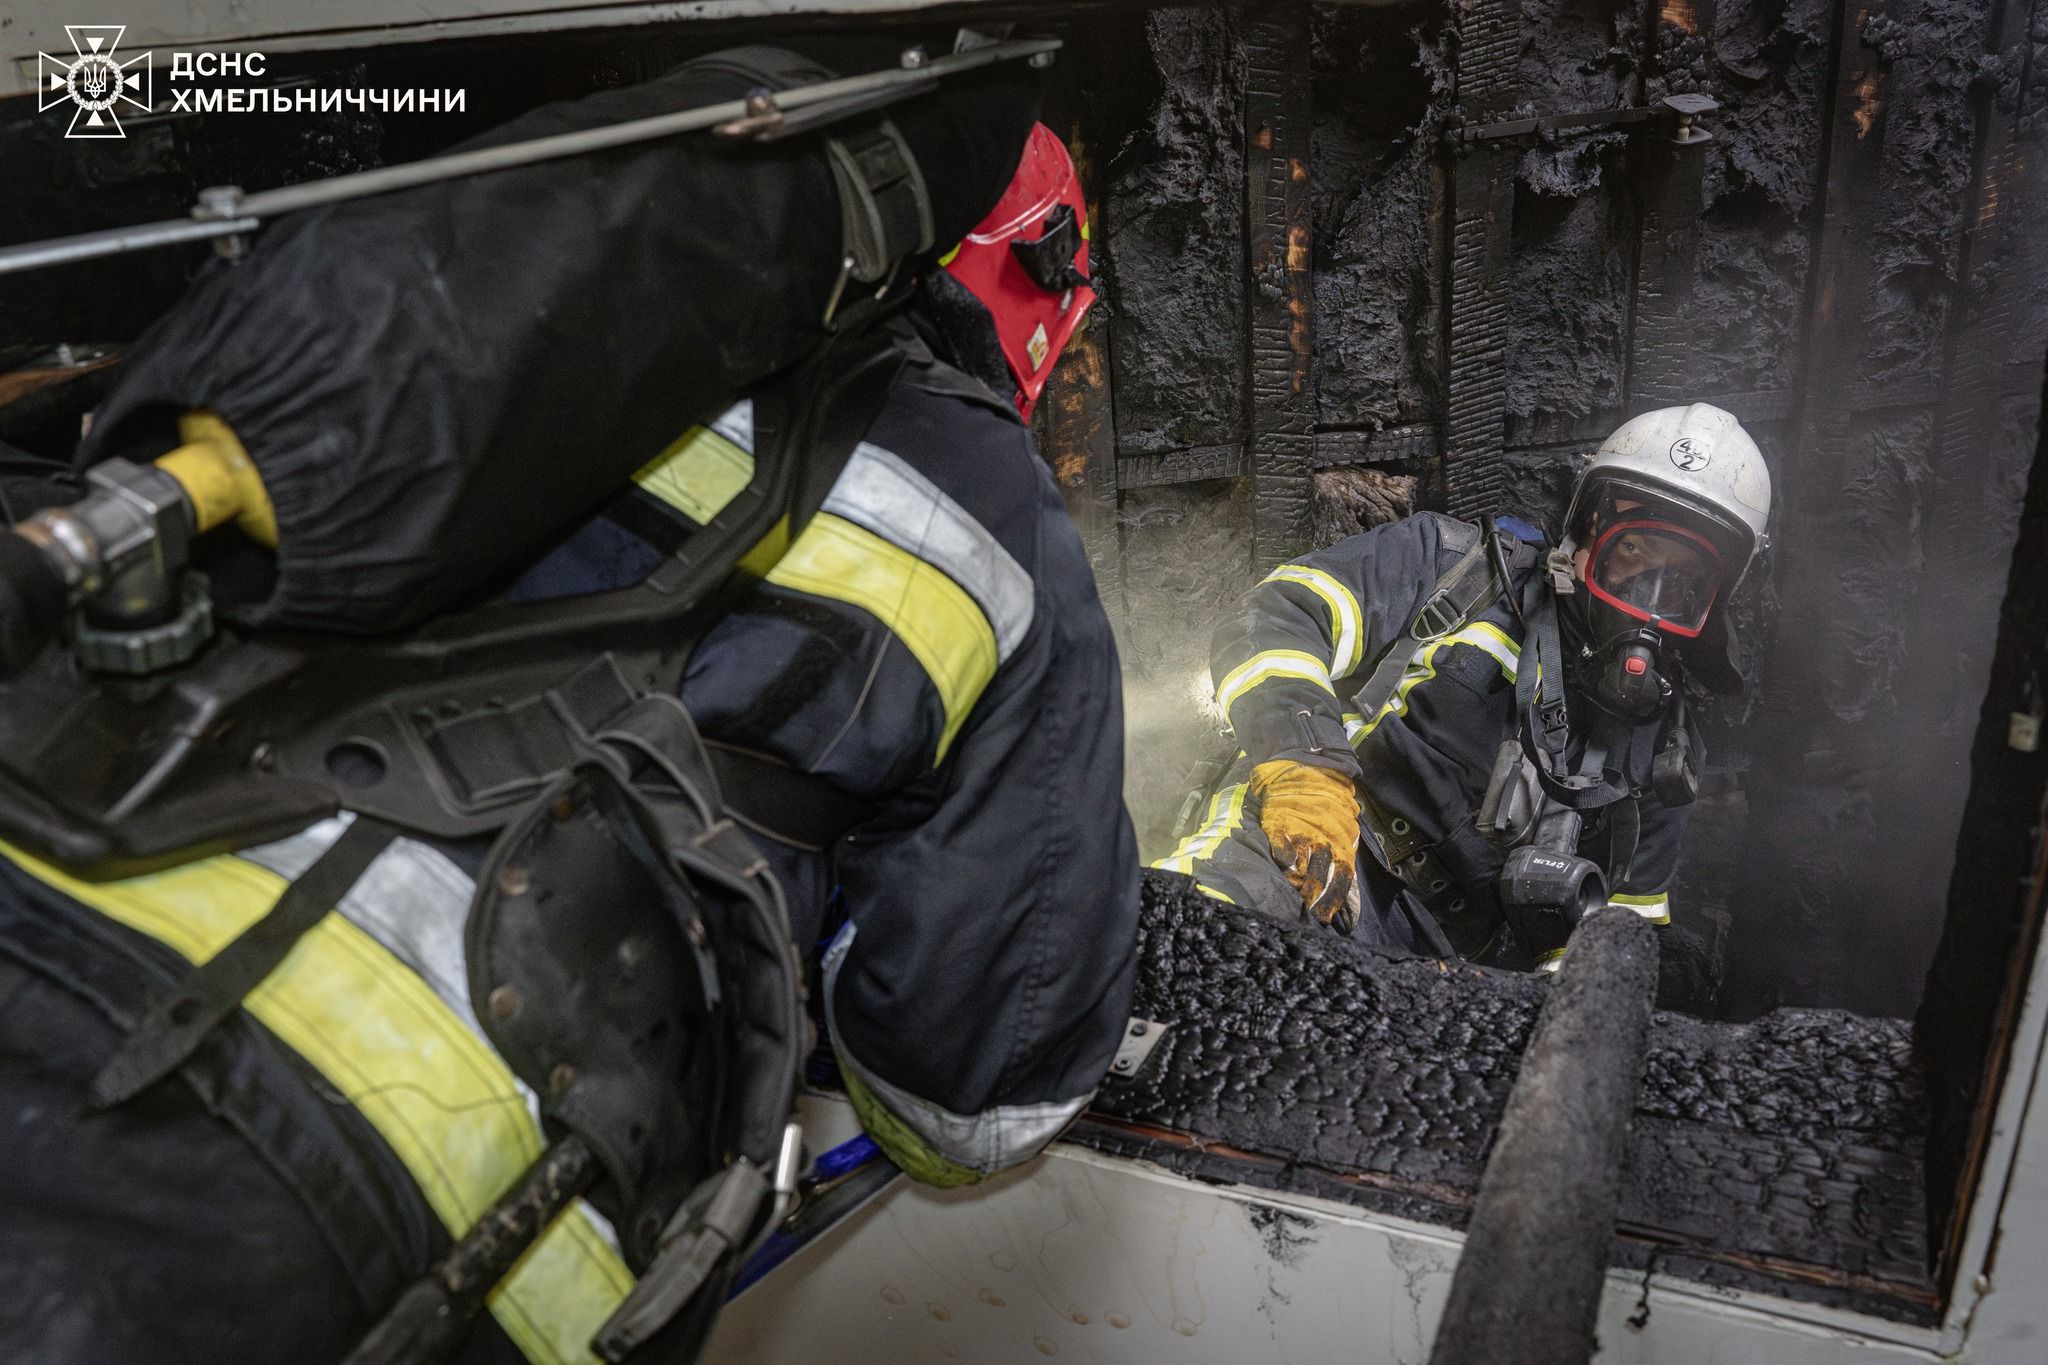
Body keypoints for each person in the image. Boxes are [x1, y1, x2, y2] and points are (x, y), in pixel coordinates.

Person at [0, 121, 1136, 1363]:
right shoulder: (992, 502)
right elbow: (972, 1103)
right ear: (1034, 286)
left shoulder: (498, 315)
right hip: (355, 1185)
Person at [1156, 403, 1770, 972]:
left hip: (1443, 968)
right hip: (1310, 845)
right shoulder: (1455, 571)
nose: (1649, 595)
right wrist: (1303, 772)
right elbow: (1277, 615)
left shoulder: (1665, 754)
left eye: (1683, 576)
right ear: (1589, 524)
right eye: (1631, 550)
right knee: (1185, 945)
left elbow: (1615, 946)